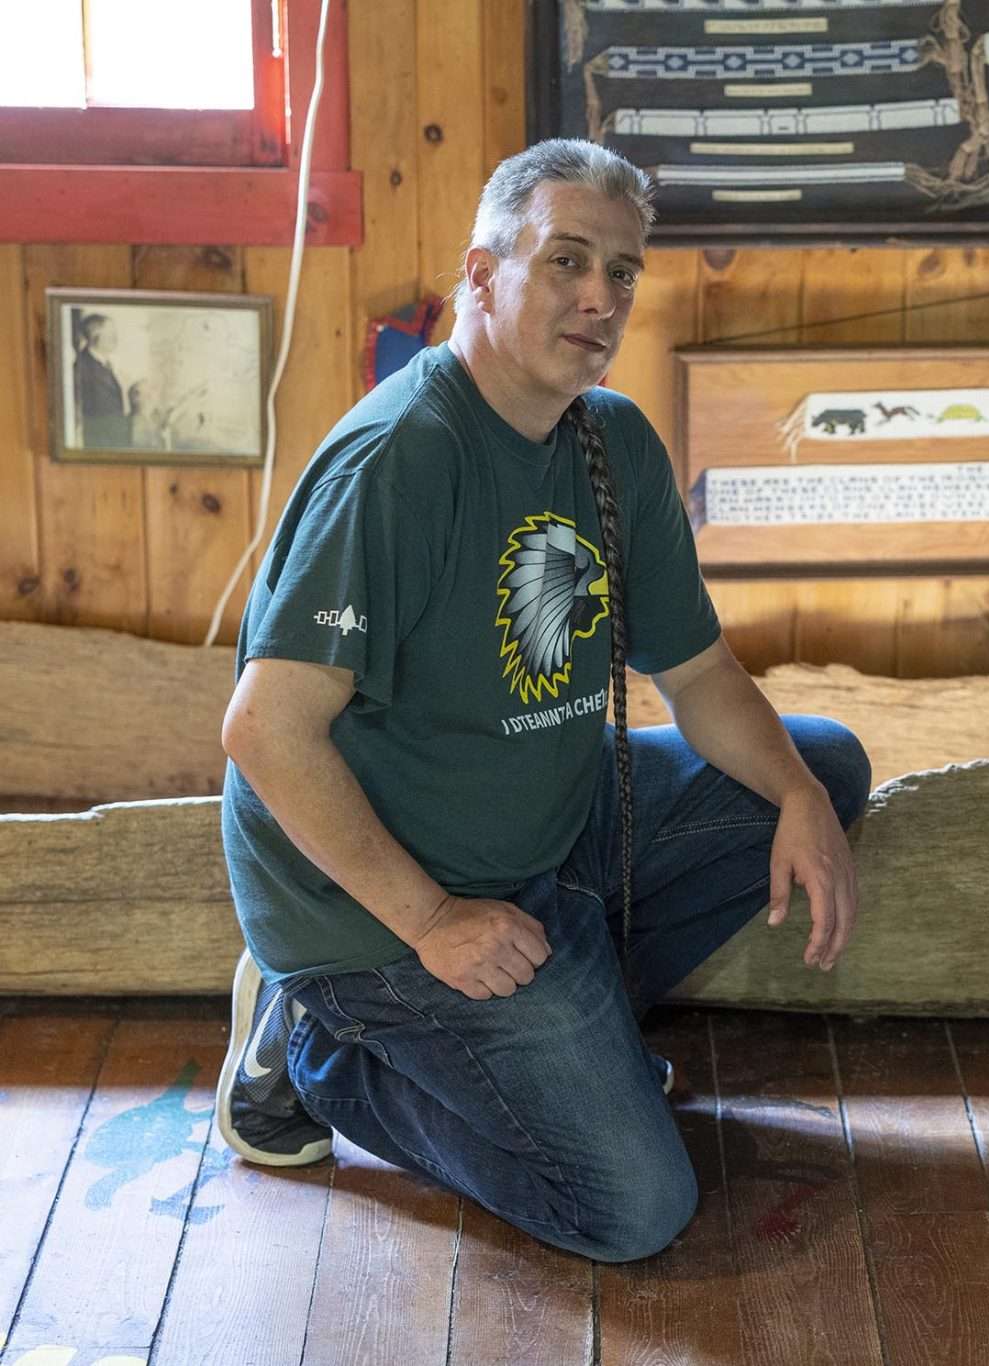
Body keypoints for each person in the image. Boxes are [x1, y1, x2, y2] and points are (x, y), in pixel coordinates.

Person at [211, 138, 870, 1264]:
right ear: (482, 274)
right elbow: (264, 731)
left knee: (822, 768)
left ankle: (557, 1035)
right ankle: (325, 1053)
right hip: (384, 907)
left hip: (547, 834)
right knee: (634, 1208)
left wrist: (801, 796)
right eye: (566, 260)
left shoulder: (610, 440)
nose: (599, 297)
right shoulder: (397, 461)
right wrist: (428, 923)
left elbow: (701, 675)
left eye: (622, 271)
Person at [72, 312, 131, 448]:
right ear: (94, 336)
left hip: (113, 439)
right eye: (110, 333)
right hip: (99, 442)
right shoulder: (82, 367)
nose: (116, 338)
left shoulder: (106, 364)